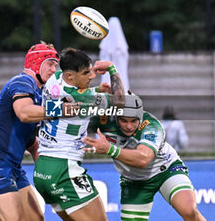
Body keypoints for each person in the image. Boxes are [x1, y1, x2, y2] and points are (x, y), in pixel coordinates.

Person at [0, 42, 65, 221]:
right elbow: (24, 113)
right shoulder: (22, 81)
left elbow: (33, 144)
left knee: (35, 219)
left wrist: (47, 172)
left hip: (13, 167)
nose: (54, 70)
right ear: (36, 63)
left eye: (56, 65)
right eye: (51, 64)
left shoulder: (40, 93)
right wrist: (64, 109)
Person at [83, 92, 206, 221]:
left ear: (140, 117)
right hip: (133, 180)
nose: (129, 126)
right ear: (116, 116)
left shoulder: (151, 125)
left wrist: (110, 149)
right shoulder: (103, 120)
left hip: (166, 170)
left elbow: (143, 158)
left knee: (189, 211)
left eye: (133, 121)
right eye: (124, 120)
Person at [33, 48, 125, 221]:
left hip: (43, 168)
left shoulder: (55, 78)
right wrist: (112, 68)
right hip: (64, 169)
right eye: (86, 73)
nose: (91, 76)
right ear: (69, 76)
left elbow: (73, 92)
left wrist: (97, 89)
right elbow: (121, 103)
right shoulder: (84, 97)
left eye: (90, 70)